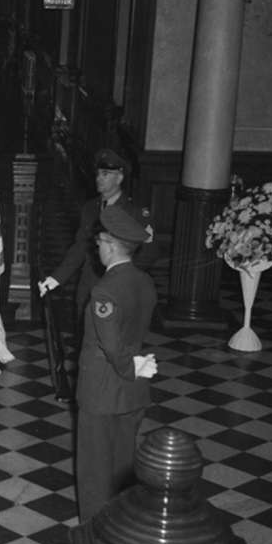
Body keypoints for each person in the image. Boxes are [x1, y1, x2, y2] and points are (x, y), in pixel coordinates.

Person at [74, 204, 158, 523]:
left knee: (95, 471)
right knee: (123, 467)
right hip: (133, 391)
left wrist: (128, 367)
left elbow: (112, 346)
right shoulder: (144, 281)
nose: (97, 248)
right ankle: (124, 527)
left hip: (102, 391)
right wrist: (135, 370)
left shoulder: (104, 290)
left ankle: (95, 535)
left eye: (99, 243)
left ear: (111, 245)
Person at [37, 147, 154, 328]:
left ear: (120, 178)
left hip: (120, 288)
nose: (99, 178)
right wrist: (56, 278)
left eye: (106, 174)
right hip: (89, 284)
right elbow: (79, 247)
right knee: (85, 339)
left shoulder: (135, 213)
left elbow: (147, 254)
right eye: (98, 173)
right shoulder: (90, 208)